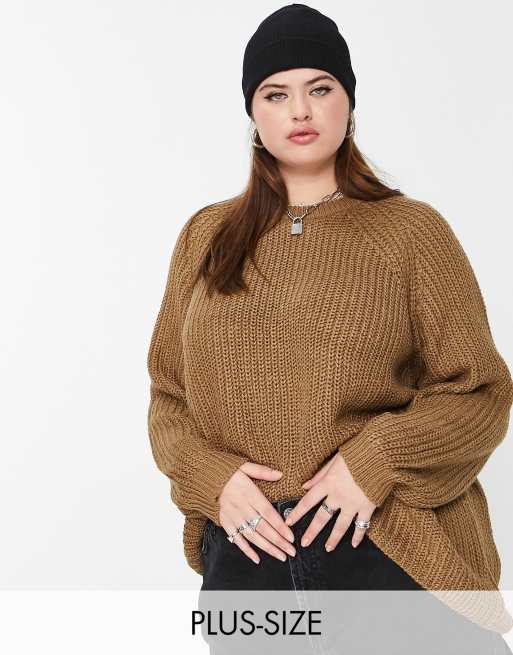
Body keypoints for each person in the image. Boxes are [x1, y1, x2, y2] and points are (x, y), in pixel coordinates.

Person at [147, 4, 513, 653]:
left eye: (319, 88)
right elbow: (169, 397)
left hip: (387, 550)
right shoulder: (206, 236)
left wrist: (376, 461)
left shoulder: (410, 232)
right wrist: (211, 477)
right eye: (275, 93)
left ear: (348, 101)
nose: (300, 110)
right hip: (248, 566)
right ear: (252, 112)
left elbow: (479, 392)